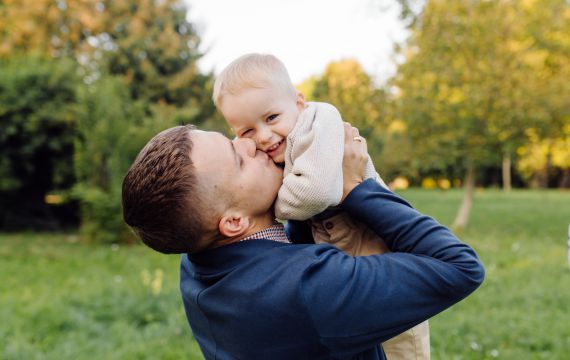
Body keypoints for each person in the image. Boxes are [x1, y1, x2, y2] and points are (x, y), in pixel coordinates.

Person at [122, 123, 485, 360]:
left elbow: (278, 254)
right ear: (233, 222)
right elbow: (459, 266)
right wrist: (355, 189)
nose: (249, 143)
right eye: (239, 160)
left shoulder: (197, 261)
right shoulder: (312, 289)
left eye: (231, 138)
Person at [212, 53, 428, 358]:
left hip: (370, 238)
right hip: (332, 244)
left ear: (298, 103)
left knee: (398, 336)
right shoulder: (283, 142)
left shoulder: (320, 121)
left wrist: (263, 205)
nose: (263, 136)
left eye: (271, 118)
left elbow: (315, 193)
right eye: (247, 131)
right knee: (357, 336)